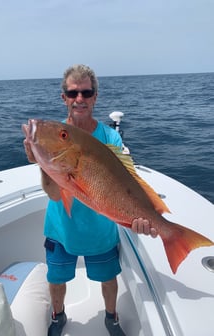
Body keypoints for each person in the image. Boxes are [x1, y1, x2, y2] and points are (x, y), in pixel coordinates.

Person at [24, 64, 157, 336]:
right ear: (64, 97)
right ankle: (58, 315)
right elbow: (54, 194)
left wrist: (140, 218)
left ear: (96, 96)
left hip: (101, 231)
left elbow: (125, 184)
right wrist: (42, 159)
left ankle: (112, 318)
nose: (79, 99)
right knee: (56, 279)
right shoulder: (54, 137)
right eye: (73, 93)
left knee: (108, 279)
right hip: (62, 230)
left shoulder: (110, 137)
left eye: (86, 92)